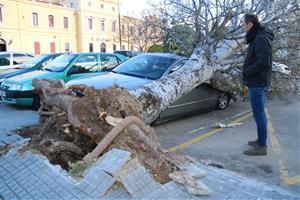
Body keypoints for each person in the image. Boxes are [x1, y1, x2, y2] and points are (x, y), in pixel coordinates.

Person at [242, 14, 274, 155]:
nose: (243, 26)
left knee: (259, 115)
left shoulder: (260, 38)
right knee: (259, 114)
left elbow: (263, 61)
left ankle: (261, 146)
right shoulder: (257, 36)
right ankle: (261, 140)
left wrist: (248, 71)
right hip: (258, 81)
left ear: (250, 24)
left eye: (244, 24)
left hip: (257, 82)